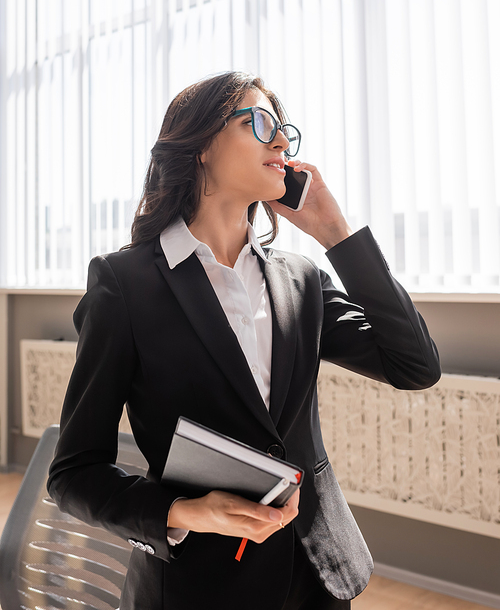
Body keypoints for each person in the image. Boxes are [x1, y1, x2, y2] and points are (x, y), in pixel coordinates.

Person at [48, 71, 440, 610]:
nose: (281, 141)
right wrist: (184, 513)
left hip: (317, 575)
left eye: (285, 131)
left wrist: (337, 235)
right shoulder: (125, 285)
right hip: (199, 586)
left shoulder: (301, 278)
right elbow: (74, 473)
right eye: (260, 123)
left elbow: (415, 365)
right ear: (202, 144)